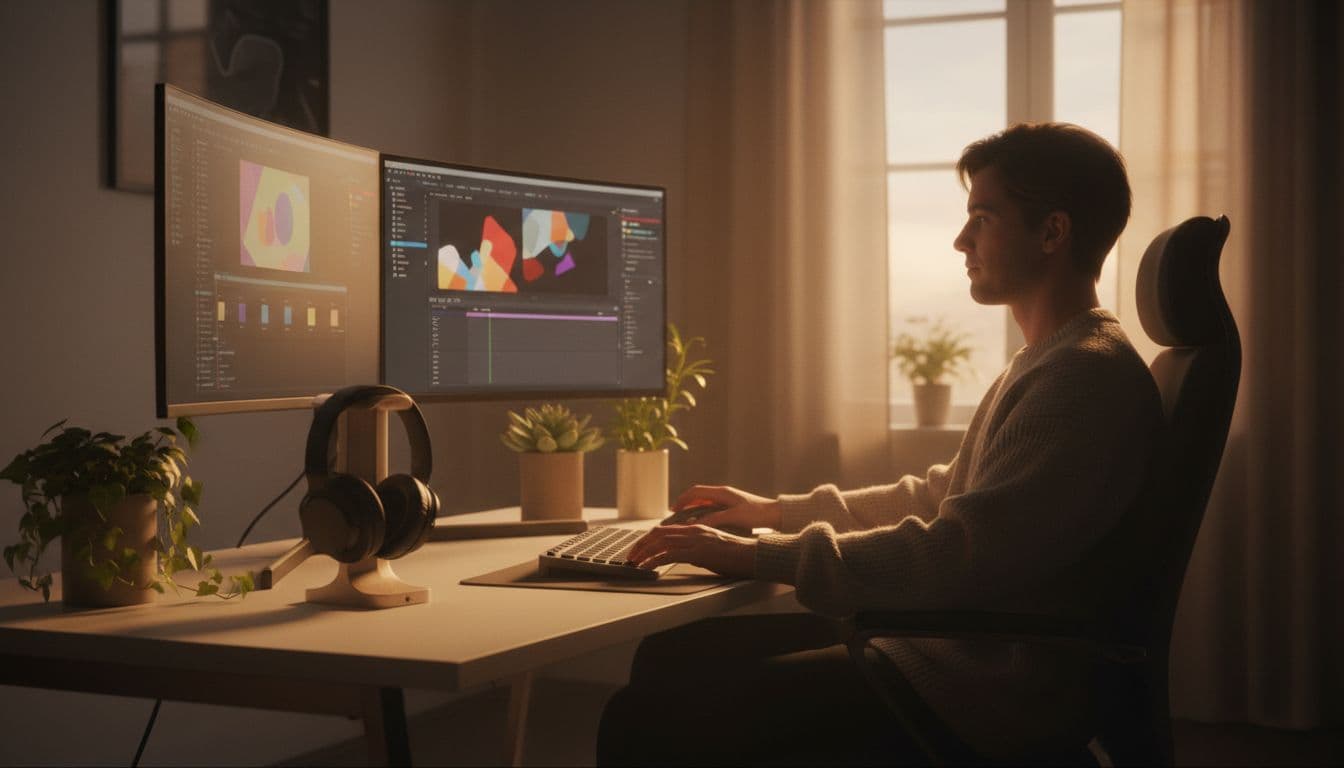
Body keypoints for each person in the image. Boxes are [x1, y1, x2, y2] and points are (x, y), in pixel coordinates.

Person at [596, 122, 1166, 766]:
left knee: (643, 716)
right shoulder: (1051, 359)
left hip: (979, 687)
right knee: (667, 655)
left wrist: (763, 557)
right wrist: (773, 512)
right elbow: (939, 497)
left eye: (982, 217)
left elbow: (958, 553)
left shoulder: (1080, 377)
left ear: (1053, 232)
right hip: (950, 648)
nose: (961, 240)